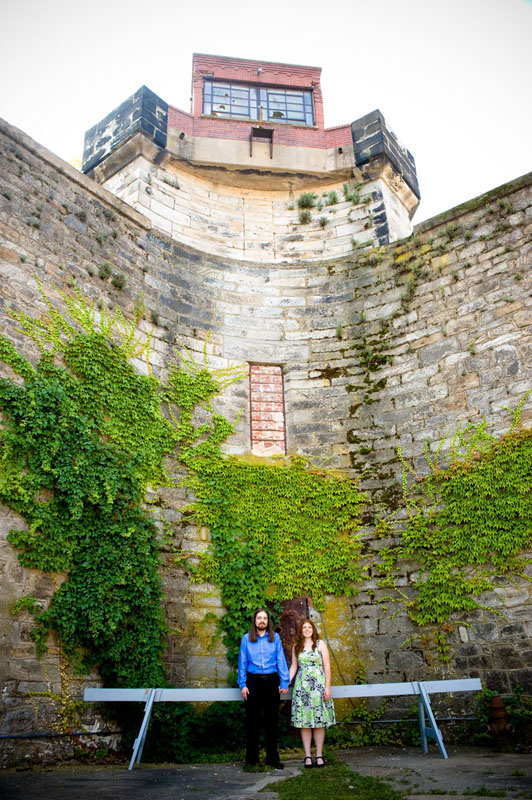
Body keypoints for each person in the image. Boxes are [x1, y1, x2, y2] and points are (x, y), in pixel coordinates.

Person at [238, 608, 290, 770]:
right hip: (253, 683)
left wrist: (284, 681)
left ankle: (272, 759)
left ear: (268, 622)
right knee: (252, 723)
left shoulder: (275, 638)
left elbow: (280, 659)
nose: (262, 621)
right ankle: (251, 760)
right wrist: (243, 684)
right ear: (255, 621)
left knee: (271, 723)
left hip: (271, 682)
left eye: (265, 618)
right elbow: (242, 662)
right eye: (259, 618)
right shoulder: (246, 639)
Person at [289, 617, 335, 768]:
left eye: (309, 627)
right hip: (302, 688)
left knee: (319, 722)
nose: (307, 629)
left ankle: (319, 755)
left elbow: (327, 667)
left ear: (313, 629)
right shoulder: (297, 645)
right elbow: (294, 667)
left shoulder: (320, 644)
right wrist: (285, 682)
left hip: (318, 688)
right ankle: (307, 755)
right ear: (301, 631)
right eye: (304, 627)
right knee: (305, 722)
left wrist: (327, 687)